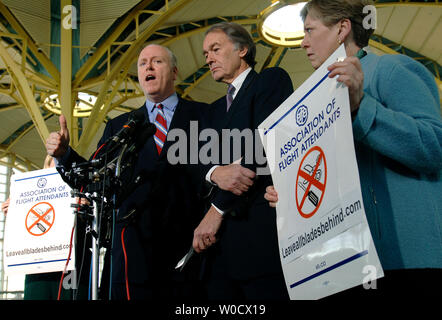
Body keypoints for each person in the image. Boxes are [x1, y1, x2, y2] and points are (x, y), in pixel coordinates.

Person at [264, 0, 442, 297]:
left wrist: (361, 107)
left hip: (407, 261)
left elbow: (434, 146)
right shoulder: (318, 100)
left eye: (309, 30)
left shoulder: (391, 68)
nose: (303, 42)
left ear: (342, 29)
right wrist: (292, 199)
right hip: (346, 266)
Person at [46, 44, 208, 300]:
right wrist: (65, 155)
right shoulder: (120, 126)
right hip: (133, 258)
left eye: (157, 62)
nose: (149, 67)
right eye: (143, 63)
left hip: (191, 253)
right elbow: (92, 177)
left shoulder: (204, 115)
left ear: (175, 72)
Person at [192, 22, 293, 300]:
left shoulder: (271, 81)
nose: (209, 58)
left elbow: (263, 146)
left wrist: (216, 210)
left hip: (259, 241)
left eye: (215, 49)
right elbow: (195, 162)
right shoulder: (210, 113)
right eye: (205, 54)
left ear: (243, 50)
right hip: (216, 255)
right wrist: (215, 172)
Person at [1, 155, 89, 300]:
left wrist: (84, 209)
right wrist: (13, 212)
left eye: (58, 166)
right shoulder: (29, 193)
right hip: (37, 267)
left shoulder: (81, 191)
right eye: (51, 166)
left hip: (71, 266)